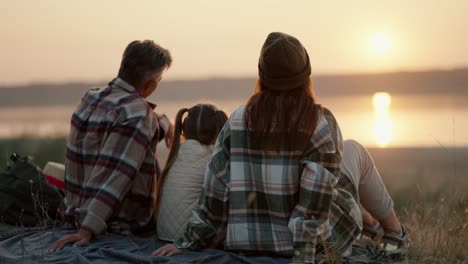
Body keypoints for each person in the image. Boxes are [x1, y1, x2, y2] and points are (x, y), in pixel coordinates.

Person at [152, 32, 409, 262]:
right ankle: (395, 233)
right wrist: (303, 257)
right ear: (305, 77)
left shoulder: (237, 120)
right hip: (312, 246)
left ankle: (377, 227)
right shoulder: (320, 122)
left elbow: (215, 194)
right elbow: (313, 206)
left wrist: (187, 241)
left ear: (262, 76)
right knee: (354, 150)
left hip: (248, 243)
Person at [50, 40, 173, 251]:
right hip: (116, 223)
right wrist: (88, 229)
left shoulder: (92, 97)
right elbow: (116, 174)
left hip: (74, 211)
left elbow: (120, 126)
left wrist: (164, 123)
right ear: (150, 84)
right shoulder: (138, 113)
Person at [156, 104, 228, 242]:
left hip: (164, 234)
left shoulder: (178, 154)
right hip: (189, 238)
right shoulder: (214, 158)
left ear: (183, 130)